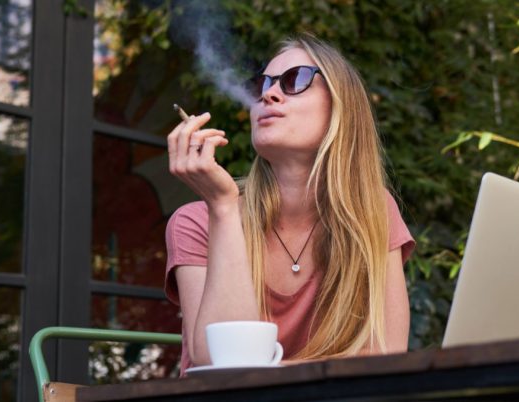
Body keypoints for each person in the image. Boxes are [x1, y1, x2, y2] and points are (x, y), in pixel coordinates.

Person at [164, 33, 415, 373]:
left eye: (293, 80)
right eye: (262, 85)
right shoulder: (197, 221)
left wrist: (278, 374)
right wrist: (223, 208)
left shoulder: (374, 212)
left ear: (341, 105)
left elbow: (386, 356)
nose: (268, 94)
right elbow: (223, 364)